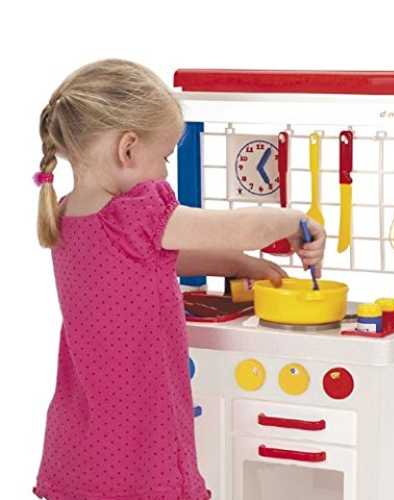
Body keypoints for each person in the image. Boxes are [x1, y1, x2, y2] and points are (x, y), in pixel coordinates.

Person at [32, 58, 326, 500]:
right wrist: (295, 220)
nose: (165, 172)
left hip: (81, 440)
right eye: (165, 157)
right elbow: (237, 228)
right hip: (138, 437)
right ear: (128, 149)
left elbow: (154, 258)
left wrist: (240, 265)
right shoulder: (136, 211)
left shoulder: (67, 214)